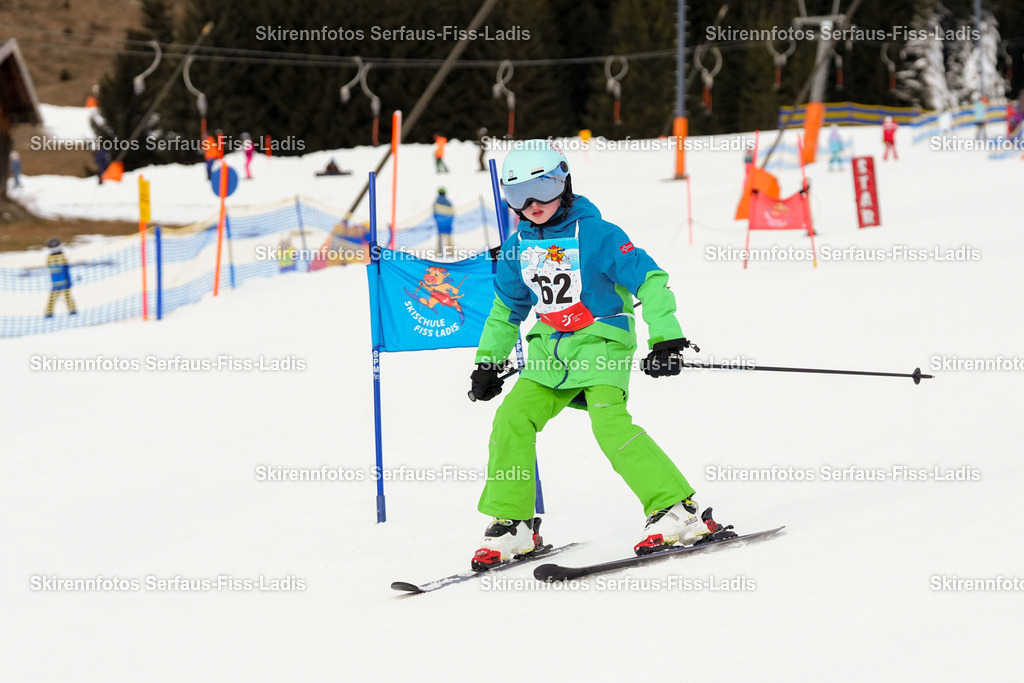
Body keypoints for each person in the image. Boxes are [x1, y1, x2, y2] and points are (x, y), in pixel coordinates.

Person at [467, 139, 731, 571]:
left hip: (602, 345)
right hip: (549, 352)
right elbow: (505, 309)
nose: (532, 204)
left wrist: (666, 338)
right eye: (517, 195)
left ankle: (675, 509)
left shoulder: (598, 234)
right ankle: (513, 522)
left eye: (543, 189)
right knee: (511, 419)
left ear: (564, 183)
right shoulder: (516, 247)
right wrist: (488, 363)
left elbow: (650, 280)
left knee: (609, 423)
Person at [44, 238, 77, 318]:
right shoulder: (49, 258)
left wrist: (68, 280)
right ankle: (49, 313)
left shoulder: (63, 257)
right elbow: (50, 267)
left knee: (68, 297)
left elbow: (66, 268)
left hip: (65, 282)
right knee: (52, 299)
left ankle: (73, 311)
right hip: (55, 283)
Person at [433, 187, 455, 256]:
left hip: (440, 224)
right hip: (448, 223)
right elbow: (452, 212)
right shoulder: (448, 202)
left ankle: (439, 251)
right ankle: (450, 251)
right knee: (449, 237)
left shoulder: (436, 202)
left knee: (440, 237)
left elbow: (434, 213)